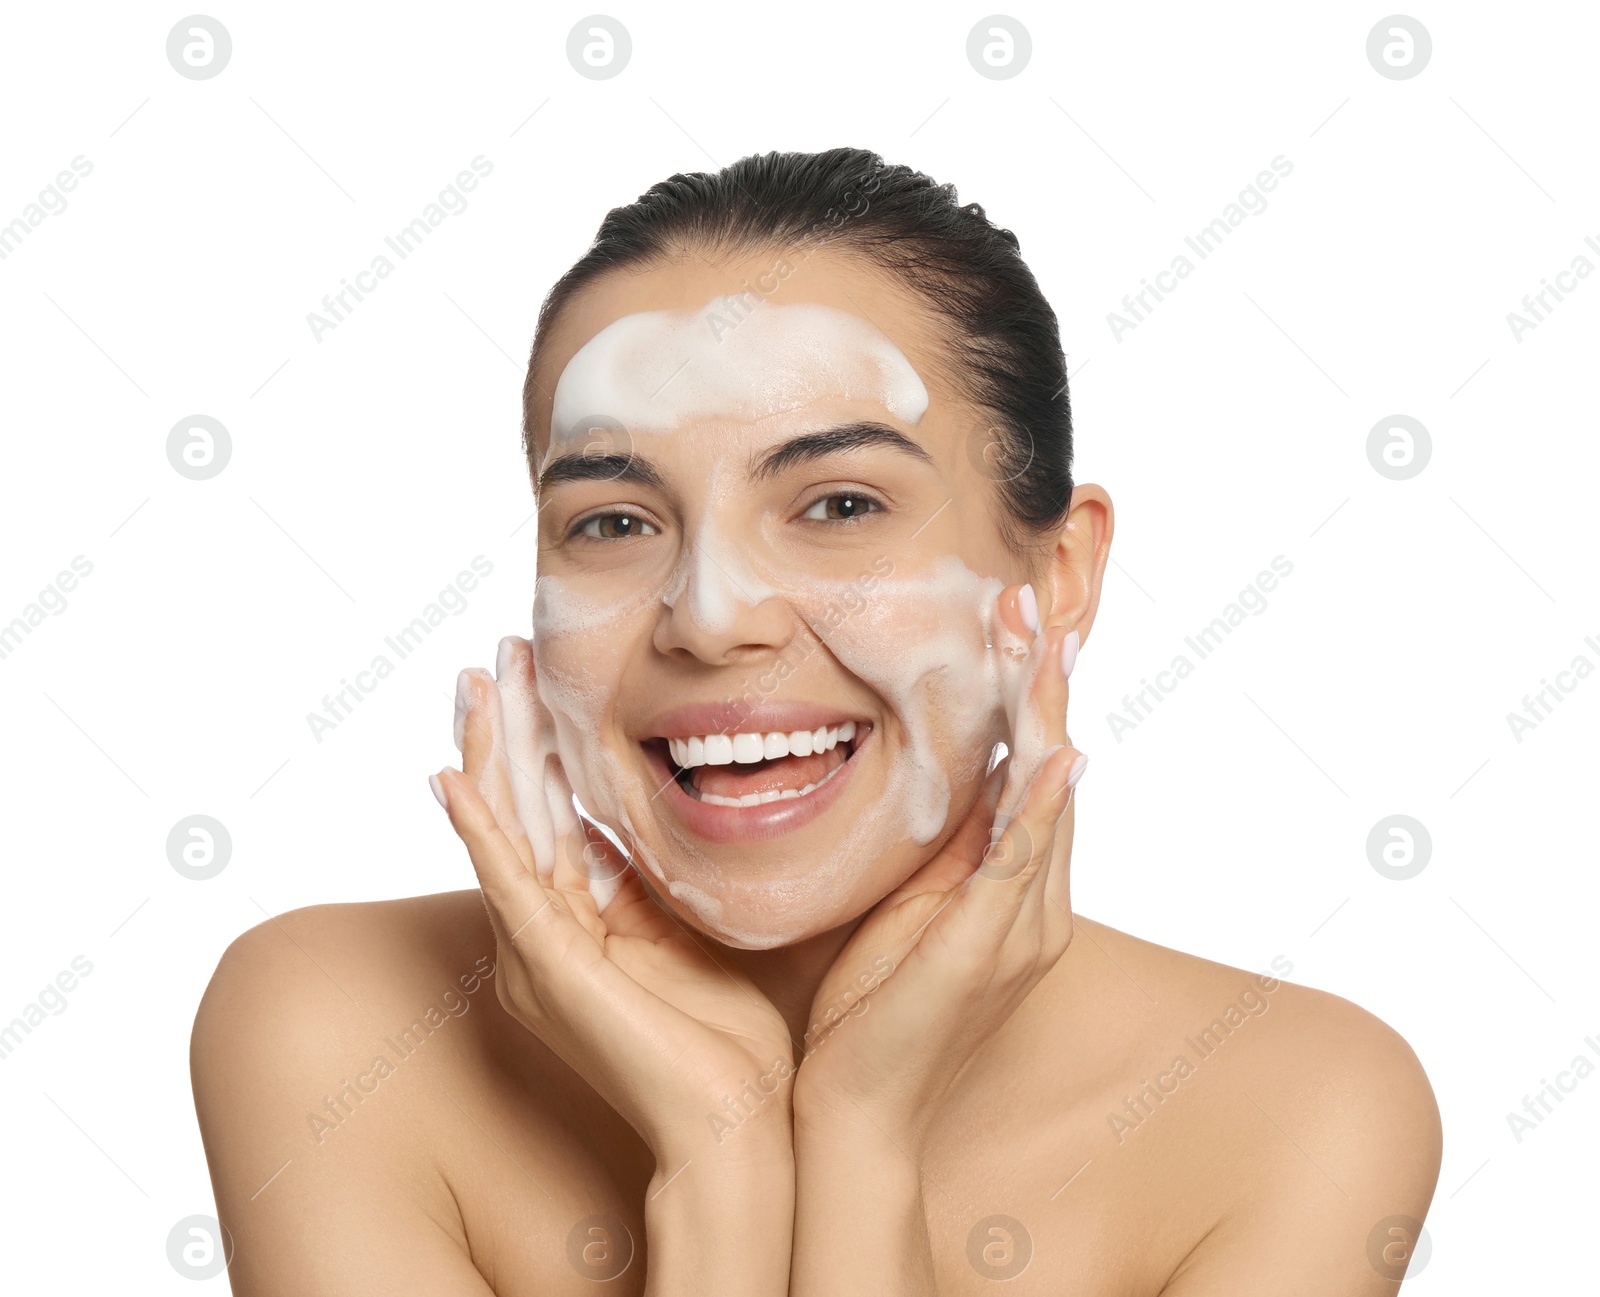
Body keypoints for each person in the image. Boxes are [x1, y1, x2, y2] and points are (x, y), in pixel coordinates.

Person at [191, 148, 1441, 1294]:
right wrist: (720, 1156)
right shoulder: (329, 1026)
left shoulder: (1292, 1111)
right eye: (614, 521)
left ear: (1058, 579)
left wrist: (856, 1140)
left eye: (840, 504)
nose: (710, 614)